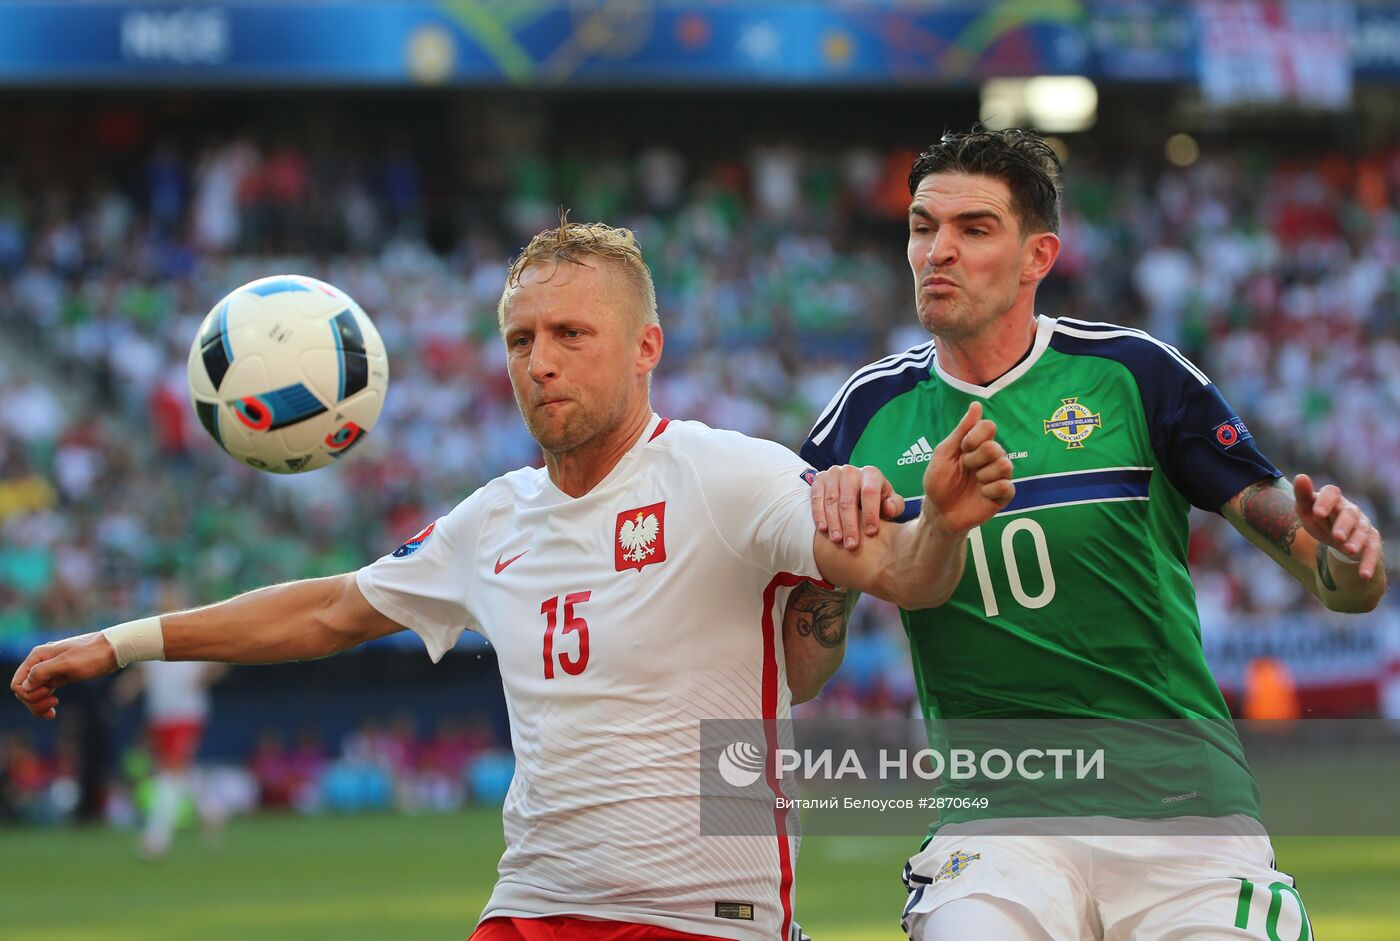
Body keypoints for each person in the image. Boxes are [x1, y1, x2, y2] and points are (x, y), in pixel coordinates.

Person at [12, 217, 1016, 941]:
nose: (541, 362)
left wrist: (945, 526)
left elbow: (900, 573)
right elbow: (327, 608)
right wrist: (125, 639)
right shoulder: (492, 518)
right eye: (522, 339)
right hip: (528, 907)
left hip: (696, 916)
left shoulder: (722, 473)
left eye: (571, 335)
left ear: (644, 349)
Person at [796, 128, 1386, 941]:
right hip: (999, 823)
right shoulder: (861, 419)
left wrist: (1350, 559)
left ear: (1039, 256)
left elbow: (1336, 582)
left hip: (1182, 807)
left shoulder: (1135, 375)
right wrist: (826, 558)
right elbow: (801, 668)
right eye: (923, 226)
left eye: (974, 229)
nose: (938, 251)